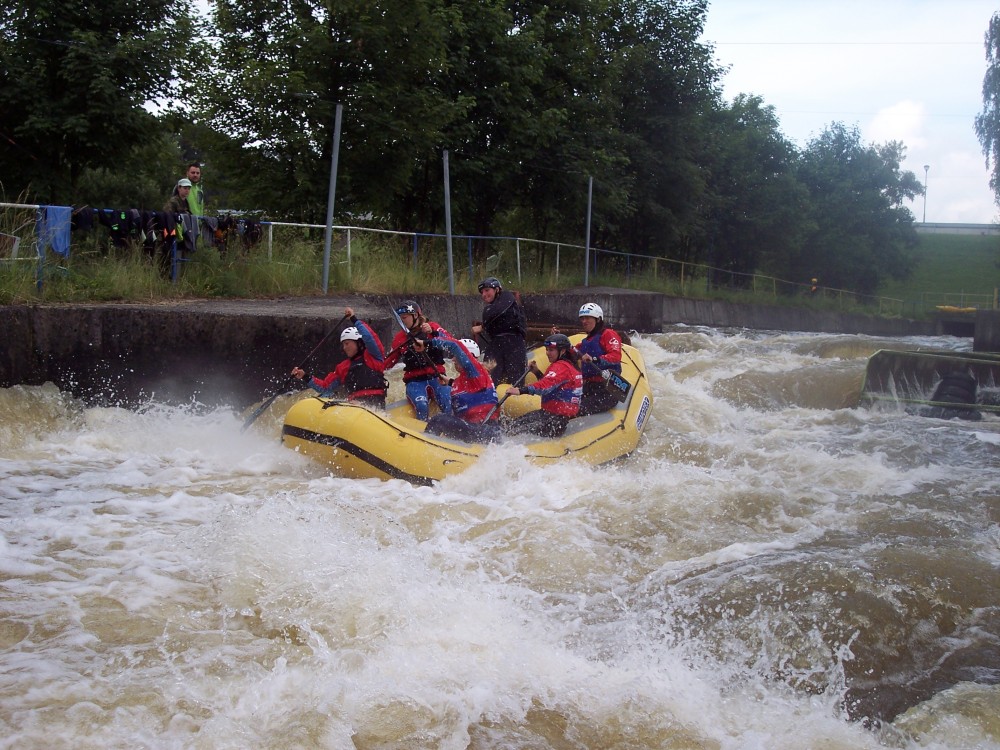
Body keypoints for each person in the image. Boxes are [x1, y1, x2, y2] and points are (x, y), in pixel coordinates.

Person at [290, 307, 387, 408]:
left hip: (375, 404)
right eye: (343, 345)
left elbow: (370, 337)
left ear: (359, 342)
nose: (344, 348)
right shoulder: (343, 367)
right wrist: (305, 376)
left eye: (347, 343)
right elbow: (325, 387)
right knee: (332, 398)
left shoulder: (374, 356)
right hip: (354, 406)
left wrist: (354, 319)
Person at [383, 300, 453, 420]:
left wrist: (433, 332)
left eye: (404, 318)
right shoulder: (400, 338)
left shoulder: (433, 327)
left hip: (437, 377)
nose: (402, 322)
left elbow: (451, 343)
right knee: (422, 406)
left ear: (415, 315)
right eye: (400, 318)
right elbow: (388, 363)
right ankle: (423, 430)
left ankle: (451, 427)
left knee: (447, 403)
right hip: (415, 381)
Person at [502, 333, 582, 438]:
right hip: (549, 415)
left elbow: (545, 387)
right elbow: (553, 386)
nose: (547, 353)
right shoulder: (568, 365)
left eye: (551, 350)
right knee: (512, 426)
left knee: (513, 432)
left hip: (555, 421)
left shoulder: (561, 367)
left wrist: (520, 390)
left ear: (562, 351)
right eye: (547, 349)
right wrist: (537, 372)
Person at [424, 338, 501, 443]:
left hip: (485, 431)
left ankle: (425, 446)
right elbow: (469, 388)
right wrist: (450, 382)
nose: (453, 359)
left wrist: (427, 343)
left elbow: (455, 345)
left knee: (438, 420)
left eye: (455, 356)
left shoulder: (477, 372)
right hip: (474, 429)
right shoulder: (464, 379)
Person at [471, 276, 527, 385]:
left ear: (497, 289)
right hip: (497, 344)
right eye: (482, 292)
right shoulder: (489, 309)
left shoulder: (507, 297)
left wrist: (482, 327)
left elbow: (496, 311)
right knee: (488, 376)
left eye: (487, 290)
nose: (484, 294)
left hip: (514, 343)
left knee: (516, 380)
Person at [572, 302, 624, 416]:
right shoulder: (585, 342)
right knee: (565, 404)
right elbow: (570, 352)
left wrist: (595, 359)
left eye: (587, 318)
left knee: (575, 409)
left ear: (598, 319)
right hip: (589, 387)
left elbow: (615, 356)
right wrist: (556, 337)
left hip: (606, 390)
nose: (584, 321)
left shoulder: (608, 334)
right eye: (582, 318)